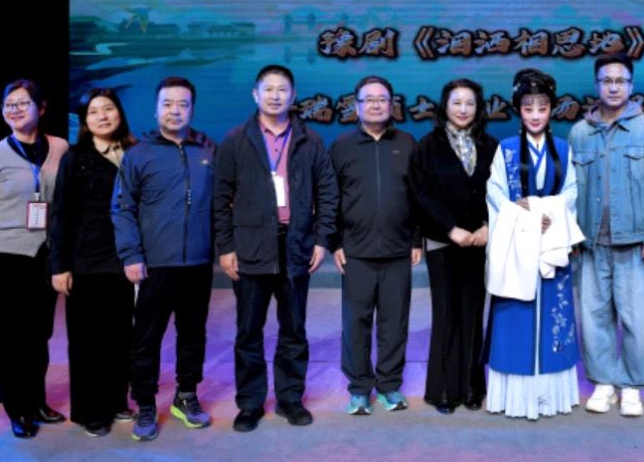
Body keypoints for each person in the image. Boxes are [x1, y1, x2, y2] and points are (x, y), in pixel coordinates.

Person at [214, 65, 338, 432]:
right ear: (255, 95)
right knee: (248, 330)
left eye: (282, 89)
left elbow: (327, 192)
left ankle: (290, 399)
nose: (275, 95)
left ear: (293, 95)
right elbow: (220, 198)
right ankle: (250, 403)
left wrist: (322, 239)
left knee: (294, 329)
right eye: (268, 89)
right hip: (251, 246)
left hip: (296, 244)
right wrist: (226, 246)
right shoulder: (236, 140)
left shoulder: (310, 140)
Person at [113, 76, 216, 442]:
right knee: (146, 338)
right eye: (168, 104)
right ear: (156, 110)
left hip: (198, 264)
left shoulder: (208, 151)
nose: (175, 110)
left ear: (192, 109)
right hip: (154, 265)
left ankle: (186, 395)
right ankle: (144, 402)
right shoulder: (138, 155)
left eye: (183, 104)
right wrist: (131, 255)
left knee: (193, 334)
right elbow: (122, 208)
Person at [568, 53, 644, 417]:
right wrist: (571, 236)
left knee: (637, 318)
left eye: (621, 80)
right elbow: (571, 191)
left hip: (636, 244)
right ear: (597, 85)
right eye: (607, 80)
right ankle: (603, 383)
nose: (614, 87)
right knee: (594, 317)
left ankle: (631, 385)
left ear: (631, 85)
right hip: (591, 244)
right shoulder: (580, 133)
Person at [0, 79, 69, 438]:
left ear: (41, 108)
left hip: (45, 256)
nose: (14, 109)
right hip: (5, 257)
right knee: (12, 338)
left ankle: (37, 401)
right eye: (8, 104)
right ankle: (18, 408)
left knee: (39, 335)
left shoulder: (60, 147)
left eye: (22, 103)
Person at [485, 68, 582, 420]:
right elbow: (495, 193)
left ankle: (550, 395)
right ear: (518, 109)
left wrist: (546, 212)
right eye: (528, 108)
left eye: (542, 107)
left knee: (554, 313)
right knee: (515, 312)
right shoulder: (506, 150)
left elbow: (571, 191)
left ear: (552, 108)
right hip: (518, 246)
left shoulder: (564, 149)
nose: (536, 114)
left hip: (551, 243)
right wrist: (523, 217)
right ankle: (515, 396)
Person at [329, 75, 422, 415]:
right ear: (356, 106)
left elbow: (418, 196)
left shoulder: (408, 143)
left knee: (394, 322)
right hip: (355, 251)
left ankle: (389, 385)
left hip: (398, 249)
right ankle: (358, 388)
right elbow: (330, 198)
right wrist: (335, 242)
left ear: (392, 104)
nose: (376, 104)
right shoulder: (342, 147)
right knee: (356, 323)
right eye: (368, 99)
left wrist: (415, 239)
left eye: (382, 99)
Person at [49, 87, 138, 437]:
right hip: (86, 261)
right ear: (85, 121)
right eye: (94, 112)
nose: (103, 116)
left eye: (108, 108)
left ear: (119, 113)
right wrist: (59, 265)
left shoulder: (134, 153)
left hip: (124, 260)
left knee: (120, 337)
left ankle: (116, 400)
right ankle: (91, 411)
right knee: (88, 342)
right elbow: (61, 213)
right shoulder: (76, 158)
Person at [410, 78, 498, 414]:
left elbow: (501, 192)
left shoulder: (491, 146)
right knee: (446, 314)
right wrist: (451, 229)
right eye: (456, 102)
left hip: (479, 242)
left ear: (479, 107)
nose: (463, 109)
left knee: (473, 314)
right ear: (444, 106)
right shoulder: (427, 146)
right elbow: (421, 194)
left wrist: (488, 226)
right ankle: (444, 390)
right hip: (443, 242)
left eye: (470, 103)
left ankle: (472, 387)